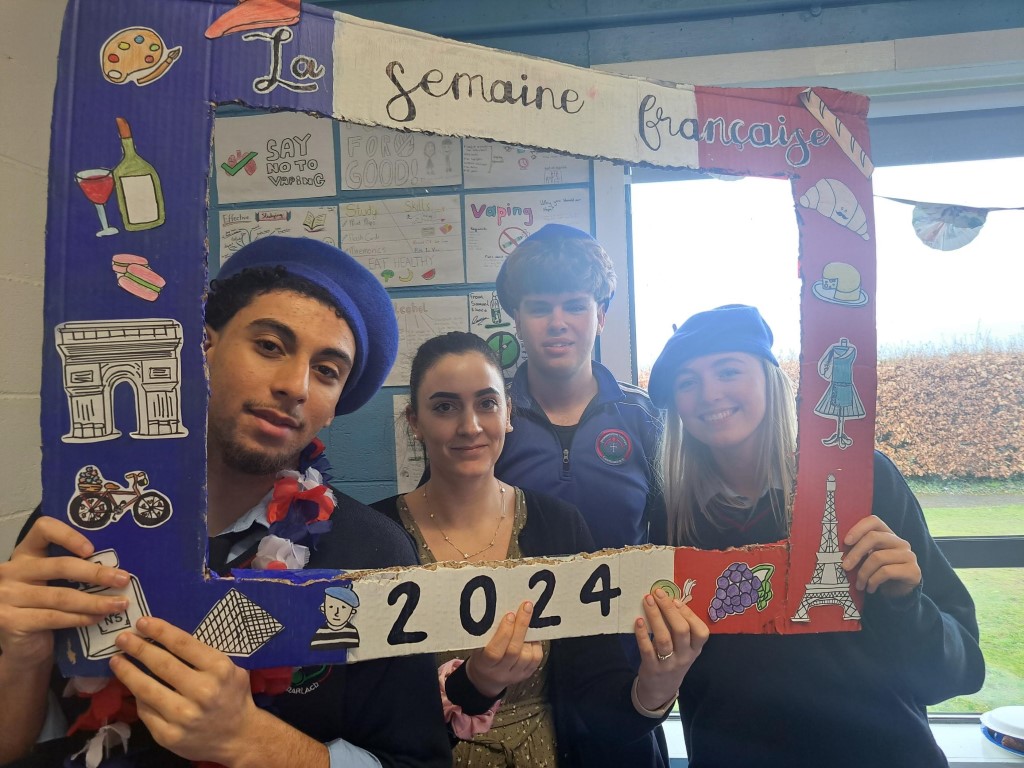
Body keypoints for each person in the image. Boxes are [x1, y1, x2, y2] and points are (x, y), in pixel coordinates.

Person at [0, 237, 451, 767]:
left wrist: (254, 741)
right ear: (204, 348)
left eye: (327, 371)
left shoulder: (374, 556)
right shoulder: (76, 530)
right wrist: (22, 662)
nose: (295, 386)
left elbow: (417, 761)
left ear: (334, 406)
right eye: (270, 346)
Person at [646, 303, 985, 768]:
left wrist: (905, 603)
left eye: (728, 371)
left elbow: (960, 672)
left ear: (769, 378)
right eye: (688, 382)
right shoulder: (668, 514)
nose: (709, 394)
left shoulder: (863, 481)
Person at [374, 332, 708, 767]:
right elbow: (366, 712)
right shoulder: (376, 537)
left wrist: (656, 687)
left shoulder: (558, 526)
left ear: (509, 413)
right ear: (414, 421)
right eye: (444, 407)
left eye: (487, 403)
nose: (470, 426)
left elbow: (598, 697)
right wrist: (470, 686)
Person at [493, 224, 665, 550]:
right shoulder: (489, 416)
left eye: (574, 306)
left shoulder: (644, 416)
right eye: (540, 308)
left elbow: (672, 538)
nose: (557, 323)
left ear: (601, 316)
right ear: (518, 320)